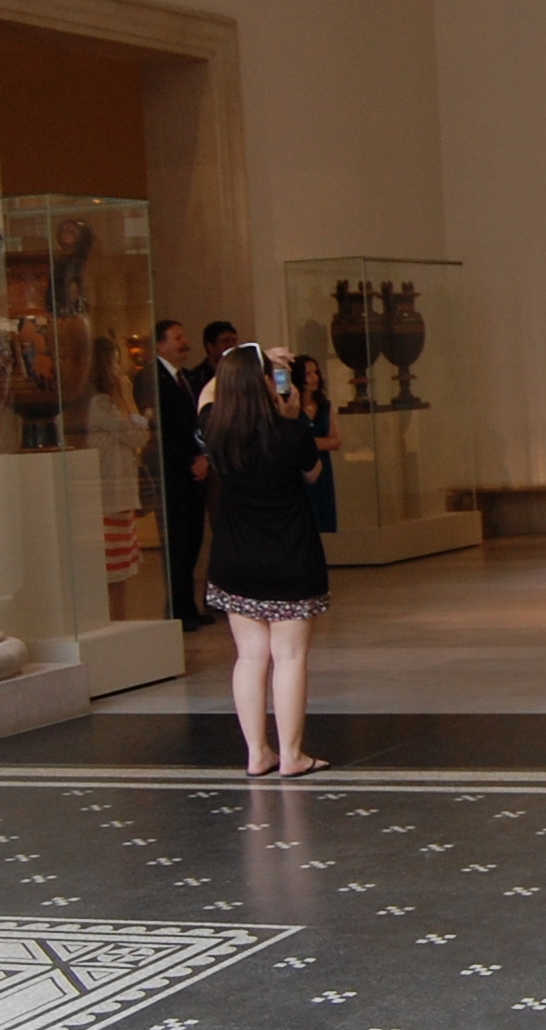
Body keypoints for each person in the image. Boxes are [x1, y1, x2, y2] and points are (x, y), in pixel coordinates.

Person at [201, 343, 331, 778]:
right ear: (265, 384)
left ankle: (258, 752)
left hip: (236, 557)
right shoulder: (290, 432)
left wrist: (237, 359)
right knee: (289, 658)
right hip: (290, 555)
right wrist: (292, 414)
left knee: (250, 657)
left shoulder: (215, 429)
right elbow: (313, 472)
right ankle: (292, 754)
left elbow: (206, 395)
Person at [150, 319, 214, 629]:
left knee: (192, 541)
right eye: (176, 338)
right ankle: (177, 608)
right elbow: (164, 432)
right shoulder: (154, 380)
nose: (184, 343)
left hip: (193, 476)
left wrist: (204, 456)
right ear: (159, 345)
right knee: (178, 544)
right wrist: (190, 461)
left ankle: (188, 606)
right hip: (173, 476)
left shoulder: (185, 378)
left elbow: (195, 425)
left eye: (184, 336)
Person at [84, 336, 152, 622]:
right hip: (110, 498)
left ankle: (118, 621)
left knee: (119, 571)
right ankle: (115, 622)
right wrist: (130, 399)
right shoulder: (100, 403)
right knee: (114, 572)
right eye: (114, 363)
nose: (119, 371)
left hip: (116, 496)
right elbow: (138, 435)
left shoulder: (102, 404)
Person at [293, 354, 341, 533]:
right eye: (308, 374)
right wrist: (318, 443)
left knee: (325, 513)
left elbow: (336, 441)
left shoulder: (324, 406)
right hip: (301, 468)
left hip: (324, 467)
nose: (314, 378)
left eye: (316, 373)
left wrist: (307, 443)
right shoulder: (292, 408)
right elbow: (290, 440)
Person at [186, 320, 239, 397]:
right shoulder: (196, 379)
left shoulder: (240, 374)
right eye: (225, 341)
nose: (231, 346)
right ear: (210, 347)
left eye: (234, 341)